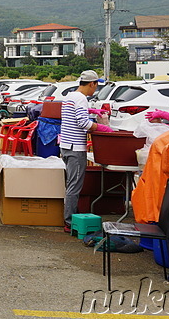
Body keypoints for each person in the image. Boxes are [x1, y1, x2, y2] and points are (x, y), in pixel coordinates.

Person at [59, 70, 113, 232]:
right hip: (75, 147)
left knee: (71, 183)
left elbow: (74, 116)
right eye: (96, 86)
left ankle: (71, 216)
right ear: (92, 84)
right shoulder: (81, 99)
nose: (95, 90)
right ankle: (69, 222)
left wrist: (92, 111)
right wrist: (102, 128)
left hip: (66, 145)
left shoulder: (70, 96)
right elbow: (83, 123)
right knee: (74, 186)